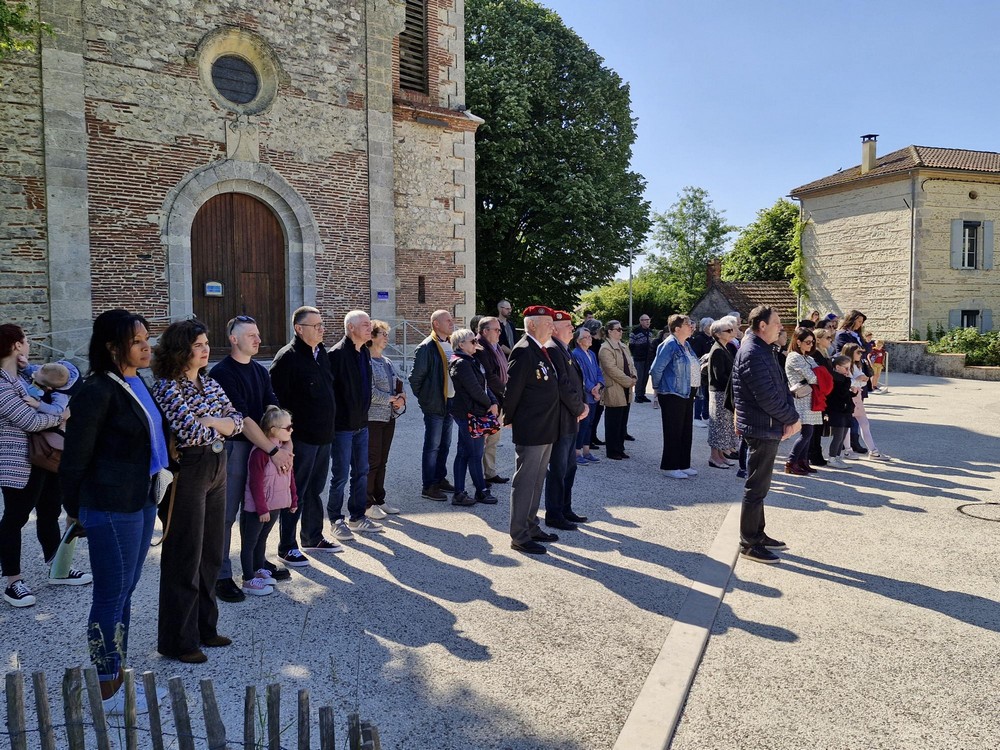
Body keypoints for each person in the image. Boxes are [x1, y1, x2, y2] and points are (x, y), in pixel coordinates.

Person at [60, 310, 168, 714]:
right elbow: (74, 459)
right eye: (137, 340)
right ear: (112, 347)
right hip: (109, 505)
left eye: (146, 338)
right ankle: (106, 686)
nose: (147, 346)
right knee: (110, 595)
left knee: (126, 591)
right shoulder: (96, 391)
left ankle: (117, 668)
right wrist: (76, 510)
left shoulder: (139, 382)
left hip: (141, 499)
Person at [152, 319, 244, 664]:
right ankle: (178, 640)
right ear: (181, 350)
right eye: (198, 345)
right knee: (184, 554)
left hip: (217, 467)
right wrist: (218, 426)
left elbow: (236, 421)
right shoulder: (166, 386)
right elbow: (189, 432)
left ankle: (206, 627)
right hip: (189, 470)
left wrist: (216, 424)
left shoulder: (208, 383)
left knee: (210, 552)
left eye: (207, 343)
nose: (206, 349)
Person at [209, 315, 294, 603]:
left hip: (263, 448)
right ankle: (220, 575)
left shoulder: (260, 371)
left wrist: (282, 444)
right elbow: (242, 418)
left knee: (262, 506)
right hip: (236, 450)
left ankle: (255, 564)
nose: (258, 340)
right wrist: (273, 450)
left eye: (258, 334)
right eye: (250, 336)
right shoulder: (222, 373)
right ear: (234, 339)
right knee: (226, 515)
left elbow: (273, 410)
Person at [0, 324, 73, 608]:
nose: (28, 344)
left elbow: (52, 384)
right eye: (26, 340)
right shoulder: (2, 384)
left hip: (43, 457)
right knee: (15, 518)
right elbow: (29, 420)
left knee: (50, 510)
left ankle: (58, 568)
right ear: (17, 345)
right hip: (19, 463)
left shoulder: (17, 377)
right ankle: (13, 581)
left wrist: (28, 368)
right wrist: (61, 416)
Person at [731, 305, 801, 564]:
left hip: (768, 425)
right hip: (762, 427)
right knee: (755, 486)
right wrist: (792, 419)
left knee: (761, 486)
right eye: (777, 322)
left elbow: (781, 387)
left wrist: (790, 415)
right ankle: (749, 542)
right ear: (762, 325)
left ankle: (758, 534)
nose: (781, 327)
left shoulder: (762, 349)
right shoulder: (752, 352)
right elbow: (766, 396)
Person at [269, 306, 338, 564]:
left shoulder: (321, 354)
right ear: (299, 329)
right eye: (316, 325)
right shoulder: (287, 358)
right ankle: (287, 545)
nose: (322, 329)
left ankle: (312, 536)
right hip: (301, 440)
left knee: (315, 489)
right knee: (294, 493)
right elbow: (276, 402)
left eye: (322, 324)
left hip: (323, 437)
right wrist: (285, 439)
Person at [504, 306, 560, 555]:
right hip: (531, 426)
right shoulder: (524, 350)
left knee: (537, 480)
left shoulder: (540, 349)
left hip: (545, 425)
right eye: (548, 323)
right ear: (533, 325)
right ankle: (519, 535)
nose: (553, 327)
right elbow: (513, 389)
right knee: (526, 482)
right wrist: (509, 417)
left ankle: (531, 525)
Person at [328, 310, 382, 539]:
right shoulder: (336, 354)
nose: (370, 329)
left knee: (361, 471)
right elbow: (331, 392)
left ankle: (357, 516)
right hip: (342, 426)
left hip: (362, 424)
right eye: (365, 325)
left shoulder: (364, 353)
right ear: (351, 328)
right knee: (340, 474)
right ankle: (335, 519)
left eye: (369, 324)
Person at [240, 406, 298, 597]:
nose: (291, 430)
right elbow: (255, 484)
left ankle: (259, 568)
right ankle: (248, 578)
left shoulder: (283, 451)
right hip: (259, 508)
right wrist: (261, 509)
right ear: (273, 430)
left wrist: (293, 500)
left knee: (262, 539)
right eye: (287, 427)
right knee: (250, 542)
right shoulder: (260, 453)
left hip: (275, 505)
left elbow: (290, 478)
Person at [543, 311, 589, 530]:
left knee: (569, 467)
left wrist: (583, 404)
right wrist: (580, 407)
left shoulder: (564, 349)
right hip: (562, 418)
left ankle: (565, 508)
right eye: (568, 325)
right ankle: (554, 513)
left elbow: (576, 382)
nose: (572, 329)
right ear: (554, 329)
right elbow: (562, 384)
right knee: (558, 468)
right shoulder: (552, 349)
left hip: (571, 417)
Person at [410, 309, 457, 500]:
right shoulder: (427, 347)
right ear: (436, 324)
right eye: (447, 320)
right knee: (432, 446)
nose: (452, 322)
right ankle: (428, 486)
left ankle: (440, 478)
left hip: (450, 402)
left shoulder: (451, 344)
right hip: (435, 404)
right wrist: (426, 400)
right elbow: (415, 379)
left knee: (444, 445)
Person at [448, 328, 498, 506]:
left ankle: (459, 493)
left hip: (473, 412)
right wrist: (489, 405)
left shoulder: (471, 360)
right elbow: (475, 390)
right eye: (472, 341)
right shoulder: (461, 363)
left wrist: (493, 401)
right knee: (475, 454)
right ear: (461, 344)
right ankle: (481, 491)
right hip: (469, 414)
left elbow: (483, 386)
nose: (476, 344)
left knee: (464, 452)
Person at [650, 315, 698, 479]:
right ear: (677, 329)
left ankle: (683, 464)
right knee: (673, 431)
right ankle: (670, 466)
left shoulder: (687, 345)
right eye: (687, 324)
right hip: (672, 393)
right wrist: (657, 389)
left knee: (686, 430)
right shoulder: (669, 344)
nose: (691, 326)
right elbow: (656, 369)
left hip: (687, 392)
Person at [366, 319, 405, 519]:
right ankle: (367, 503)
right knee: (372, 461)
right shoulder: (366, 361)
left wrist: (402, 397)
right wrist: (390, 398)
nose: (386, 338)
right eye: (383, 334)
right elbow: (368, 391)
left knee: (383, 460)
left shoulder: (387, 361)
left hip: (388, 417)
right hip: (372, 418)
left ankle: (379, 499)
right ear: (371, 337)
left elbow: (399, 382)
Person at [784, 327, 826, 475]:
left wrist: (820, 375)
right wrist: (819, 375)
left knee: (810, 432)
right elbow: (814, 377)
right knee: (806, 433)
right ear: (798, 341)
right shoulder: (794, 357)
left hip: (812, 398)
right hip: (801, 398)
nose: (811, 344)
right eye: (807, 342)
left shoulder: (808, 357)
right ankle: (791, 461)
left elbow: (820, 374)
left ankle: (803, 461)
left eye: (812, 342)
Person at [473, 316, 510, 484]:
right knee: (483, 440)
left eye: (500, 330)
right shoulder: (480, 347)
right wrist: (506, 391)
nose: (499, 333)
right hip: (487, 401)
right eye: (496, 330)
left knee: (493, 439)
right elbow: (488, 376)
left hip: (499, 399)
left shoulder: (495, 346)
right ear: (485, 331)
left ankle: (490, 472)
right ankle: (479, 476)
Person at [841, 343, 887, 460]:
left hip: (857, 396)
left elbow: (862, 382)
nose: (860, 354)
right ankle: (848, 450)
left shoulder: (857, 365)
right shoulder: (845, 365)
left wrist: (861, 380)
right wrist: (857, 381)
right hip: (848, 397)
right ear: (850, 353)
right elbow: (845, 382)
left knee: (864, 424)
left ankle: (873, 451)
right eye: (858, 352)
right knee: (848, 425)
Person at [598, 320, 636, 461]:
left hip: (625, 388)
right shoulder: (605, 348)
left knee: (622, 421)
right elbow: (611, 369)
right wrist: (628, 381)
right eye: (618, 329)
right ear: (610, 331)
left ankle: (620, 448)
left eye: (621, 329)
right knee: (613, 421)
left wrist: (634, 376)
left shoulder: (623, 346)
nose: (621, 331)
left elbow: (631, 364)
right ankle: (612, 450)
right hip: (614, 388)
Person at [707, 319, 739, 469]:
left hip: (724, 392)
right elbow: (719, 376)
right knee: (718, 425)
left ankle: (720, 455)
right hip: (719, 393)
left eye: (732, 329)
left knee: (724, 426)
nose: (732, 332)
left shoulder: (724, 347)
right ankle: (714, 457)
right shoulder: (718, 350)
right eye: (728, 330)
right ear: (718, 334)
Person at [571, 326, 603, 464]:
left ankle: (586, 451)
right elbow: (581, 375)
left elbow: (598, 372)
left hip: (594, 393)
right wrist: (593, 390)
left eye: (590, 336)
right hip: (585, 394)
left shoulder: (592, 354)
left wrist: (600, 385)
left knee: (590, 423)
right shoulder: (576, 354)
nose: (590, 338)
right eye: (586, 337)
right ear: (578, 340)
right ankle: (577, 453)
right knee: (583, 424)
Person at [825, 355, 857, 468]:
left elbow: (846, 394)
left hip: (844, 410)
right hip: (836, 410)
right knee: (838, 435)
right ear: (837, 367)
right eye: (846, 368)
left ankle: (837, 456)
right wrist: (848, 381)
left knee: (843, 435)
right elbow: (841, 394)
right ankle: (832, 458)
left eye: (849, 368)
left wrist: (853, 392)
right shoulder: (836, 378)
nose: (848, 371)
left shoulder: (842, 378)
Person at [689, 317, 714, 425]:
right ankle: (697, 417)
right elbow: (695, 355)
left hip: (709, 371)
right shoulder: (699, 339)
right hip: (700, 370)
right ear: (704, 327)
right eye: (709, 326)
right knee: (700, 394)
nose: (711, 328)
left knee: (707, 394)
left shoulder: (711, 339)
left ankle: (705, 415)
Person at [628, 313, 656, 403]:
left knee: (645, 377)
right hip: (639, 358)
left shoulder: (650, 332)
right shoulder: (635, 332)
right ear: (641, 321)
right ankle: (638, 395)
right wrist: (635, 354)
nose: (648, 322)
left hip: (648, 358)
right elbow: (631, 345)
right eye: (645, 320)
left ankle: (643, 394)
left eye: (648, 320)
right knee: (639, 377)